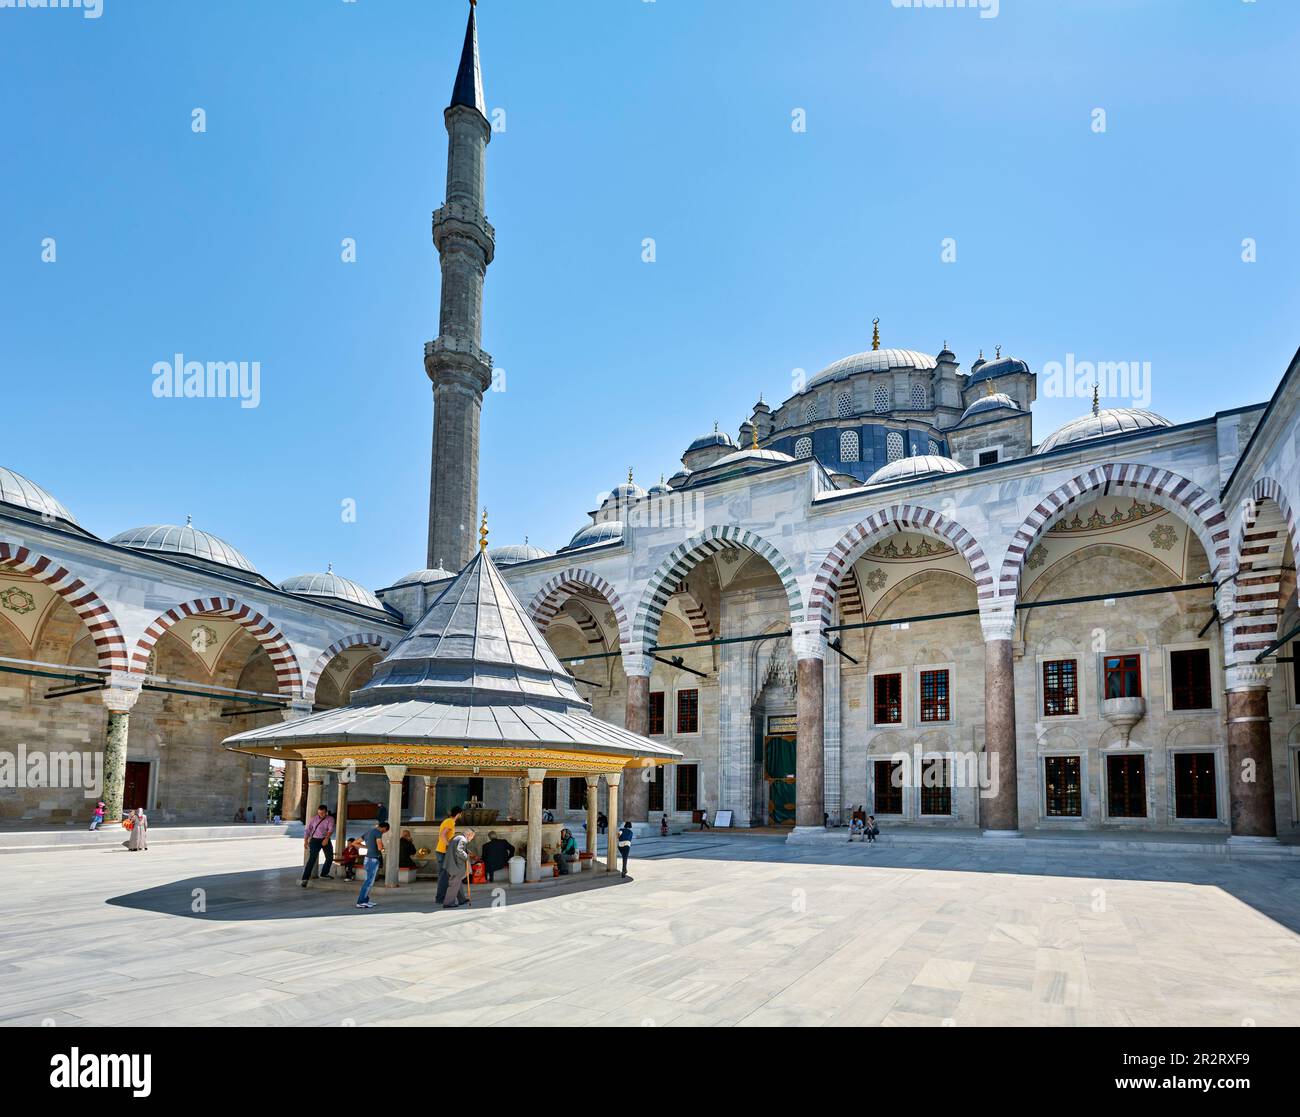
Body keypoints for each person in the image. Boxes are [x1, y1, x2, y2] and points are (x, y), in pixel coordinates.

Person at [434, 806, 464, 904]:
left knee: (449, 875)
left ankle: (459, 898)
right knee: (445, 876)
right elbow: (442, 835)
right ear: (459, 814)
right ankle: (440, 898)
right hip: (443, 852)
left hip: (442, 851)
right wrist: (449, 846)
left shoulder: (449, 821)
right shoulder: (450, 821)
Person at [441, 827, 476, 909]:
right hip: (456, 865)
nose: (472, 838)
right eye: (472, 836)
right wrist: (467, 856)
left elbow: (454, 848)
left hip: (451, 863)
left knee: (457, 882)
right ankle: (448, 902)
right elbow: (459, 851)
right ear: (469, 834)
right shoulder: (463, 839)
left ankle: (462, 899)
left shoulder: (457, 837)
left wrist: (466, 851)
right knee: (454, 883)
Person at [356, 821, 388, 909]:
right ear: (384, 828)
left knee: (368, 881)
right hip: (373, 859)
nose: (384, 833)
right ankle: (361, 902)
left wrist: (367, 847)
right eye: (385, 831)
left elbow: (355, 842)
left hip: (367, 859)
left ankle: (365, 900)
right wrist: (383, 849)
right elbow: (379, 847)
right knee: (369, 882)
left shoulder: (369, 832)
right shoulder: (378, 833)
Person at [300, 805, 335, 887]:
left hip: (325, 839)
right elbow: (308, 830)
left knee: (330, 857)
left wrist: (326, 839)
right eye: (319, 813)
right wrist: (305, 841)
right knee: (312, 859)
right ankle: (305, 878)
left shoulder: (330, 819)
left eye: (322, 813)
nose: (321, 814)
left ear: (326, 812)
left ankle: (324, 873)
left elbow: (330, 829)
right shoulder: (314, 819)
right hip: (315, 840)